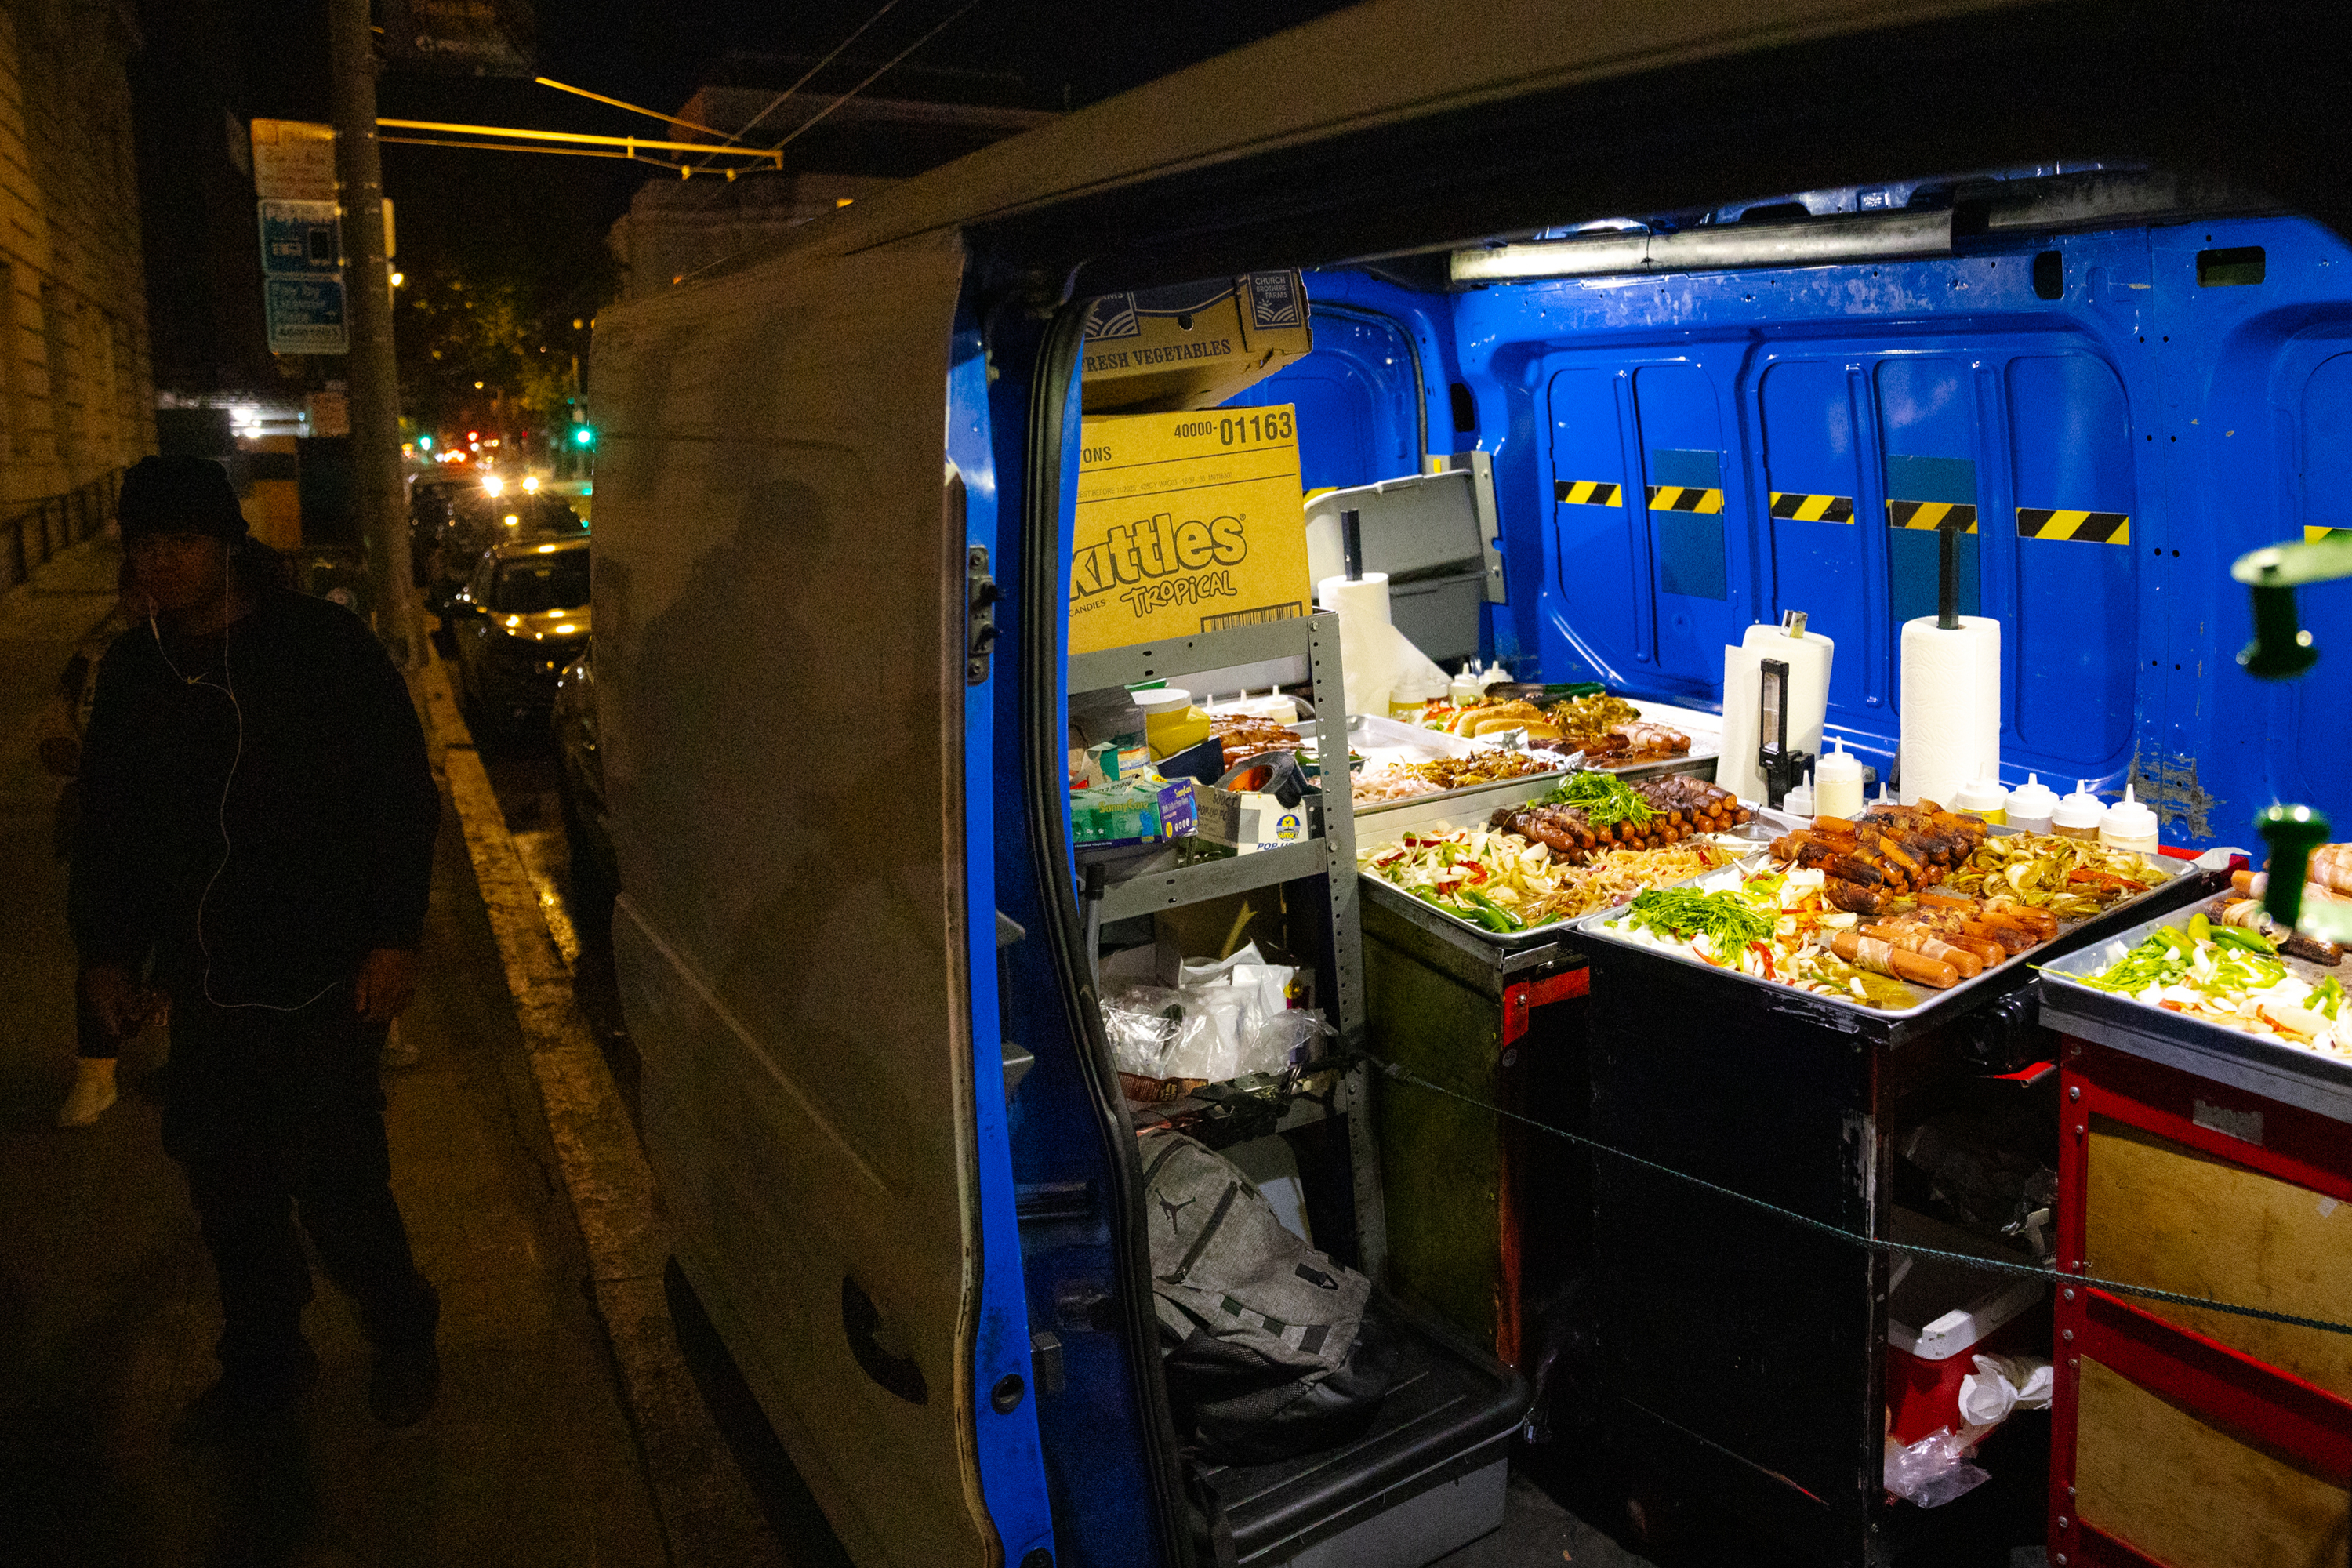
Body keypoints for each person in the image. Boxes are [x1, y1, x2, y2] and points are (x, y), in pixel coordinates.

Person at [70, 455, 445, 1442]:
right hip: (207, 985)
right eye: (146, 545)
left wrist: (394, 937)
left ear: (228, 544)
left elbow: (401, 797)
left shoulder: (318, 646)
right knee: (229, 1190)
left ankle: (403, 1322)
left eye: (182, 542)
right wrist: (108, 955)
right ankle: (267, 1359)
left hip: (321, 979)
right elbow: (107, 823)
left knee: (339, 1182)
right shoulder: (138, 671)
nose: (162, 564)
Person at [41, 560, 158, 1126]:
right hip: (104, 822)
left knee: (193, 945)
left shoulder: (204, 646)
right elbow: (59, 719)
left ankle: (188, 1062)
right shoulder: (96, 651)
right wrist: (63, 748)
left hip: (182, 824)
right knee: (103, 947)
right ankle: (95, 1073)